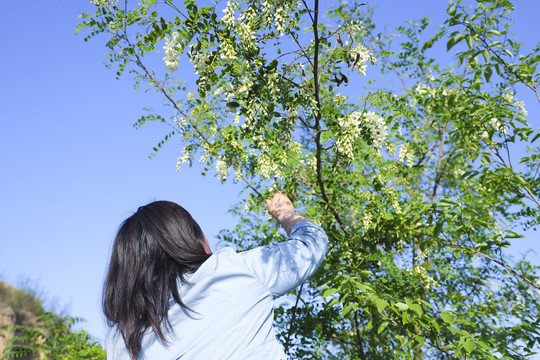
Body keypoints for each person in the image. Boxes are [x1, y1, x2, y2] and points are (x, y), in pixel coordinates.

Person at [104, 192, 328, 359]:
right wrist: (284, 213)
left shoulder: (121, 342)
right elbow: (311, 244)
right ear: (196, 241)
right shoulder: (233, 271)